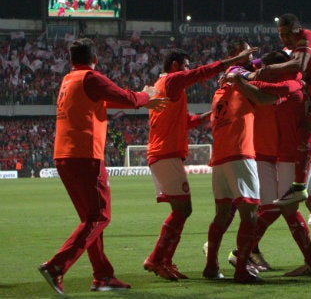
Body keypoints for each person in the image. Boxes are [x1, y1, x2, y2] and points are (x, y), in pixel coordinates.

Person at [38, 38, 166, 295]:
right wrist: (146, 95)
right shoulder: (91, 78)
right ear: (95, 59)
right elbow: (124, 96)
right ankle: (56, 266)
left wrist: (140, 101)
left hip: (64, 155)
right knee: (99, 216)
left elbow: (108, 101)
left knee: (90, 219)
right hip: (85, 156)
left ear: (72, 60)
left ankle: (102, 276)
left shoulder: (69, 80)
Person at [143, 45, 255, 281]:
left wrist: (206, 116)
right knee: (183, 210)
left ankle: (163, 260)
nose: (188, 70)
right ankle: (156, 258)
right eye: (185, 65)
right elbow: (201, 73)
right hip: (166, 154)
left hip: (162, 153)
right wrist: (233, 60)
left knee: (181, 210)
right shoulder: (171, 81)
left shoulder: (159, 88)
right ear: (174, 66)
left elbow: (184, 122)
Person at [232, 50, 311, 276]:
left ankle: (243, 253)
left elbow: (268, 93)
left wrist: (243, 80)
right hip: (269, 153)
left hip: (288, 154)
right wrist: (241, 71)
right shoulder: (285, 80)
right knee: (274, 209)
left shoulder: (290, 84)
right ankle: (244, 253)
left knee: (279, 209)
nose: (264, 73)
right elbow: (244, 69)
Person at [246, 13, 311, 205]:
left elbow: (299, 64)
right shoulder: (292, 48)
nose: (285, 38)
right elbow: (271, 60)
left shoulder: (307, 37)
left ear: (298, 29)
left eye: (288, 33)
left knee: (305, 129)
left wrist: (266, 71)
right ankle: (300, 185)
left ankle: (299, 186)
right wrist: (243, 67)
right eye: (281, 34)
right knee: (303, 129)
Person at [202, 39, 282, 284]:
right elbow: (267, 98)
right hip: (240, 153)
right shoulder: (240, 78)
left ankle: (211, 266)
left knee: (222, 214)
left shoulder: (220, 87)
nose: (251, 56)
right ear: (237, 55)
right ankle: (241, 269)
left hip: (220, 157)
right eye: (246, 52)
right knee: (250, 215)